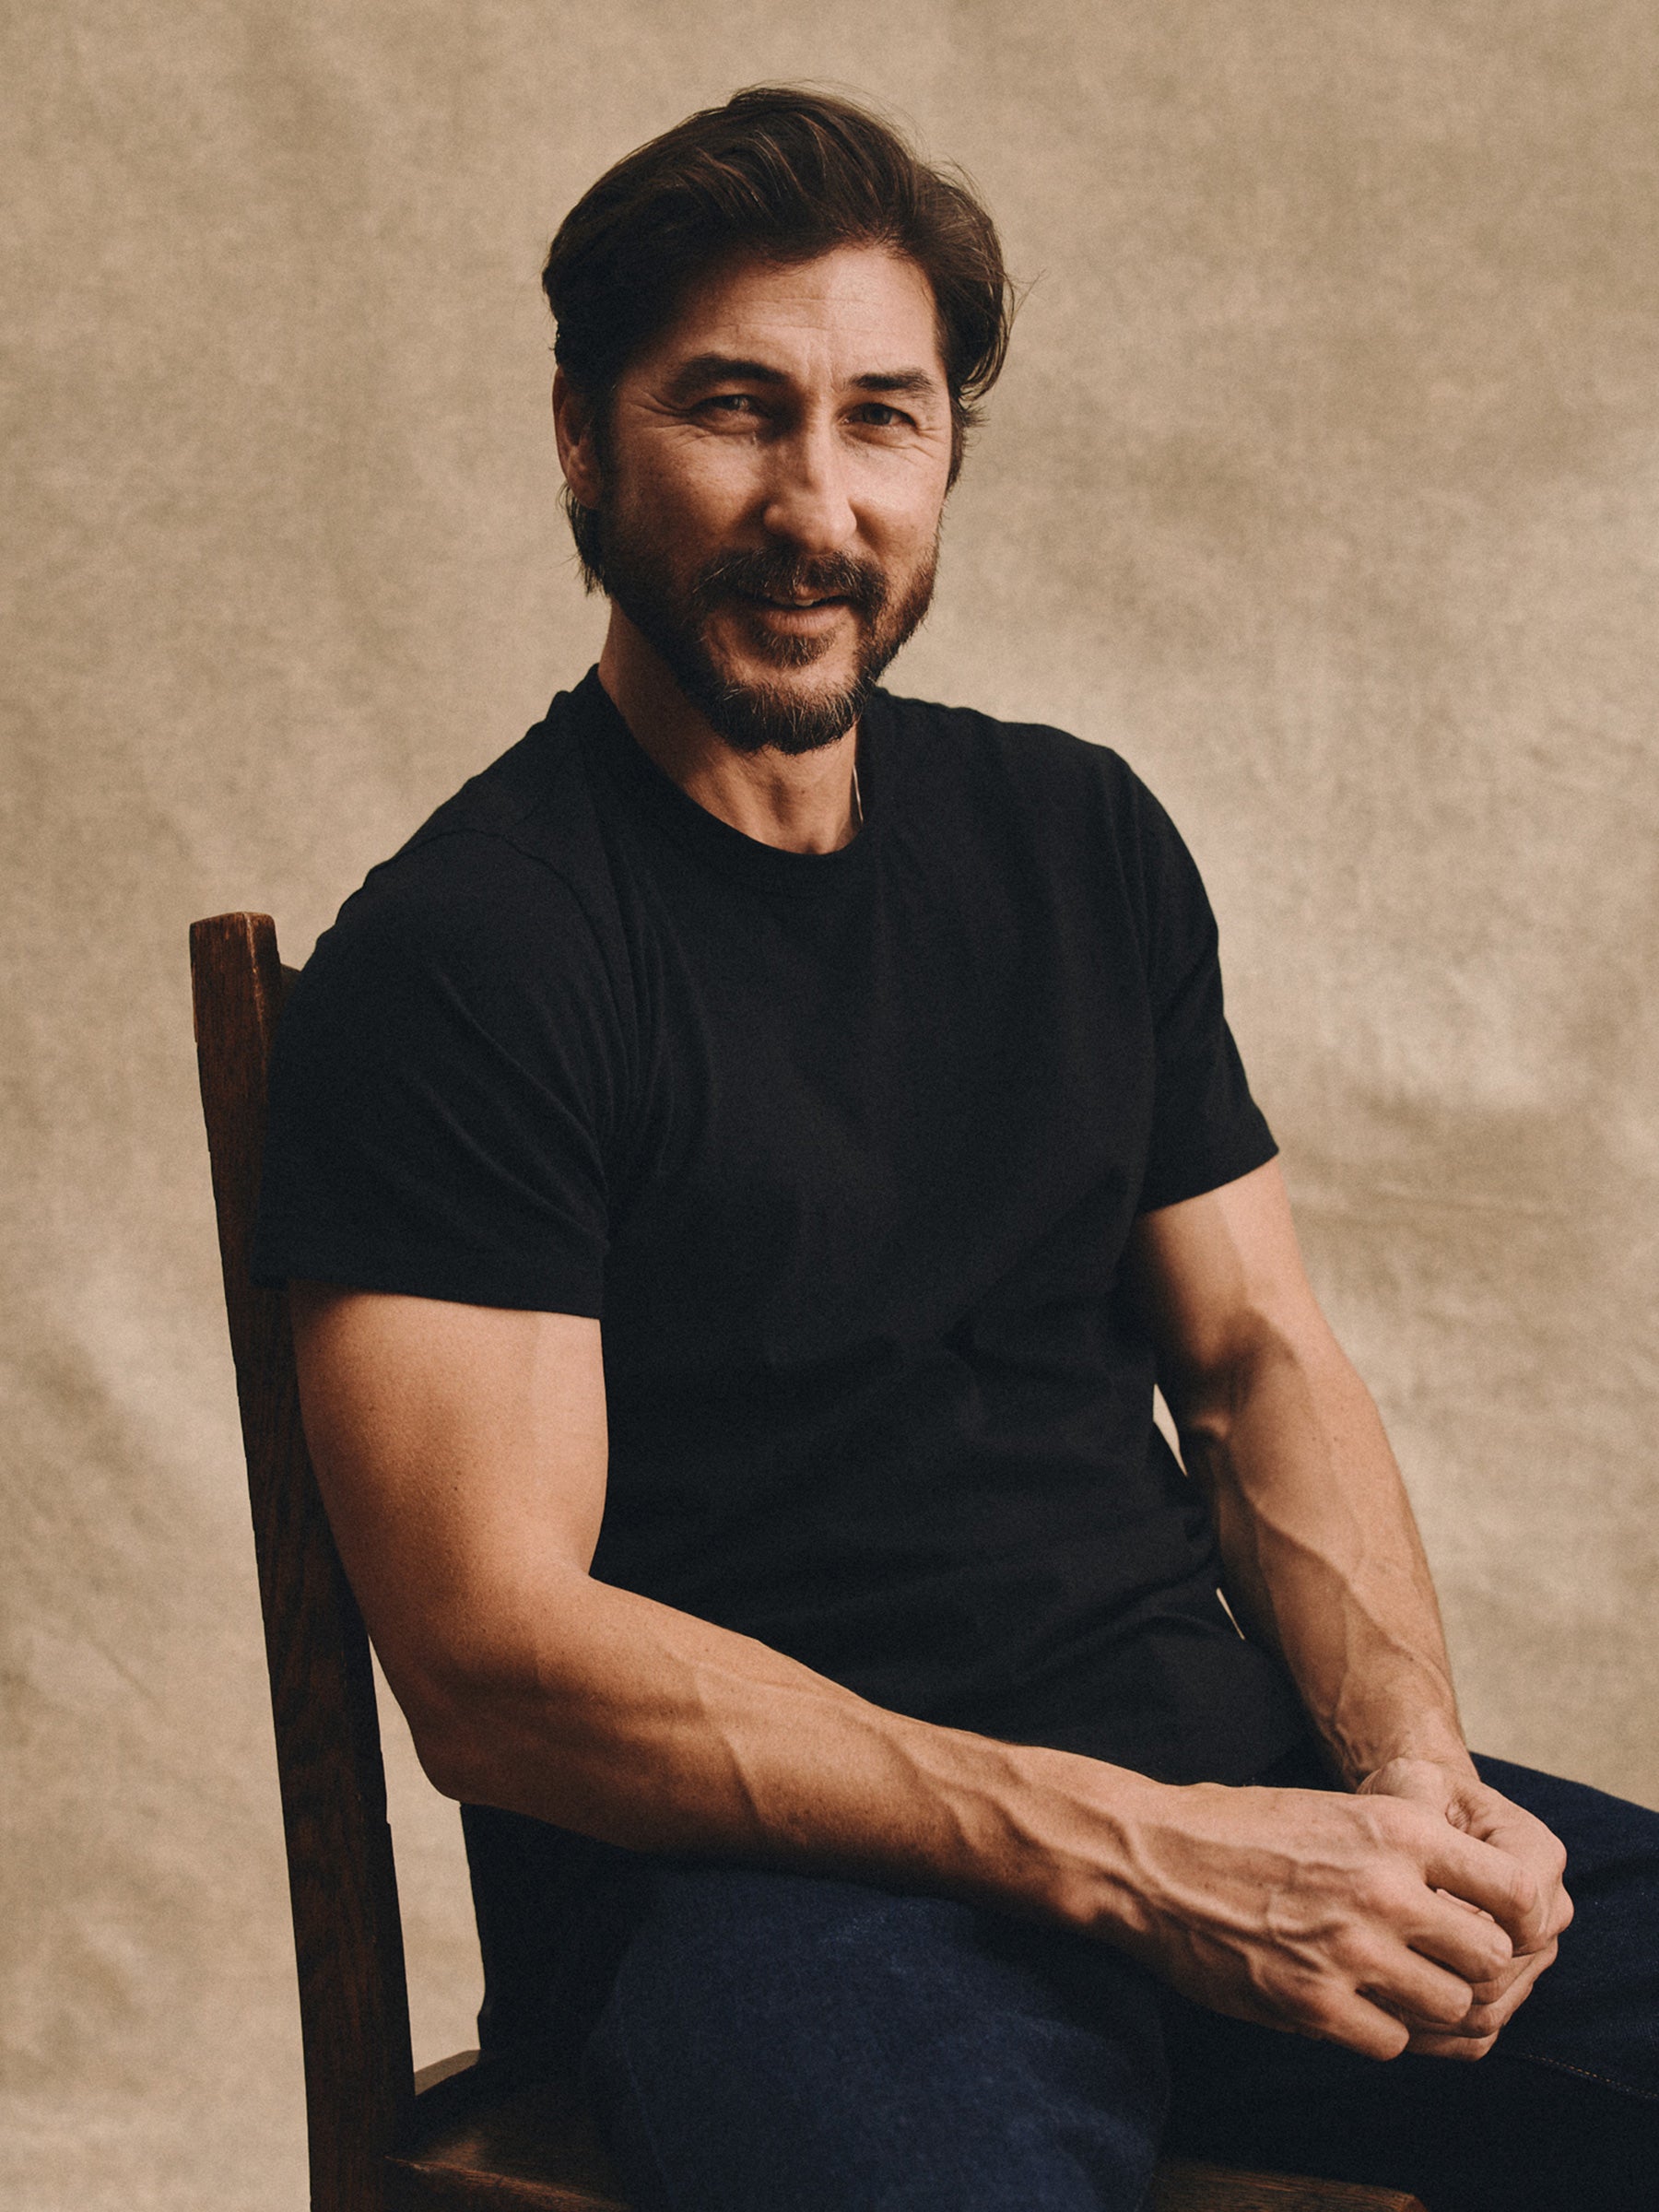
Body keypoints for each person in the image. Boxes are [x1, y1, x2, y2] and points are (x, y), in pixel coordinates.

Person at [253, 87, 1658, 2212]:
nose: (814, 505)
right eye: (733, 409)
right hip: (784, 1905)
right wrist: (1132, 1852)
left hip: (1233, 1804)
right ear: (580, 436)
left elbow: (1257, 1360)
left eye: (881, 421)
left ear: (944, 460)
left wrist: (1411, 1780)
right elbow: (496, 1666)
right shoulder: (475, 956)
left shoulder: (1079, 837)